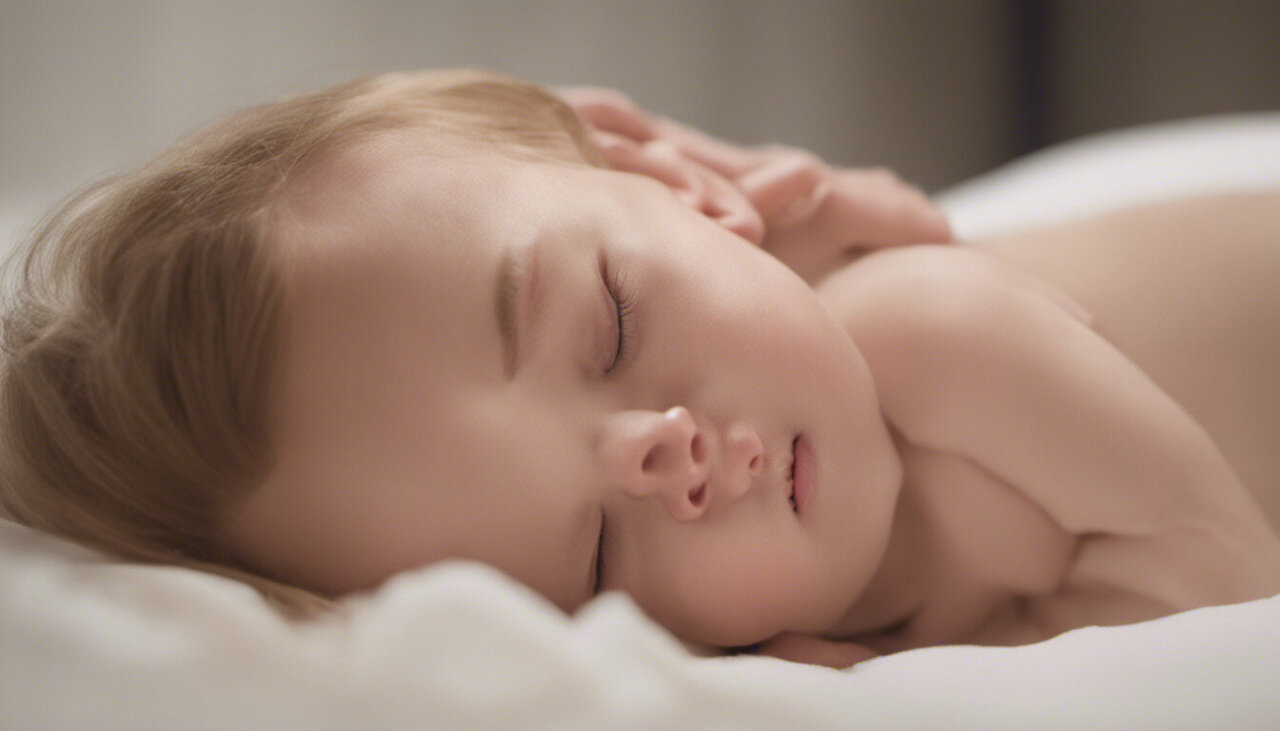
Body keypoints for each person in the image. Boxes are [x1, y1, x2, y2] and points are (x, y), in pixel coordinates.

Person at [2, 70, 1277, 670]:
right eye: (596, 559)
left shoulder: (931, 331)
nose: (656, 455)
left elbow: (1223, 582)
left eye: (608, 326)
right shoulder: (742, 621)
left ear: (680, 185)